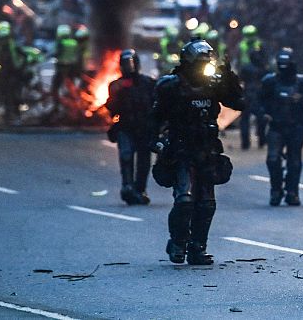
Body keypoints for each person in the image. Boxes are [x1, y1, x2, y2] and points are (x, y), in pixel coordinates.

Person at [149, 38, 246, 265]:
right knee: (184, 200)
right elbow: (154, 117)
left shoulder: (213, 84)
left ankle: (198, 247)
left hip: (206, 149)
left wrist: (229, 77)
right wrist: (155, 141)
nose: (203, 67)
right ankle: (178, 242)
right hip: (181, 149)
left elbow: (238, 103)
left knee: (206, 203)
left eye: (206, 63)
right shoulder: (171, 86)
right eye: (199, 63)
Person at [258, 48, 303, 206]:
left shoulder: (302, 82)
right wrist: (264, 114)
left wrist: (301, 99)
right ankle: (276, 190)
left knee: (294, 161)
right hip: (276, 126)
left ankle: (292, 192)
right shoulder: (270, 81)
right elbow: (259, 101)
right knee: (273, 159)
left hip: (296, 126)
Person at [105, 49, 156, 205]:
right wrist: (118, 94)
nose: (129, 67)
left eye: (131, 63)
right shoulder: (116, 85)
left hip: (144, 126)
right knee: (126, 156)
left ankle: (140, 189)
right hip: (125, 126)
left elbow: (156, 104)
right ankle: (127, 185)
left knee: (143, 160)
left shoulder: (148, 83)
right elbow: (112, 108)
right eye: (126, 64)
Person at [236, 24, 267, 149]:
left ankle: (247, 142)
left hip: (249, 91)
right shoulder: (241, 45)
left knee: (247, 117)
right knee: (258, 116)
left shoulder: (260, 44)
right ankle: (258, 140)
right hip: (255, 91)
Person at [0, 21, 25, 123]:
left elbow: (23, 56)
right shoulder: (1, 46)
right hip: (6, 73)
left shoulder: (12, 45)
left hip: (12, 72)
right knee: (7, 93)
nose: (3, 40)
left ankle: (14, 113)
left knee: (12, 93)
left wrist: (20, 67)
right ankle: (10, 113)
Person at [51, 24, 80, 107]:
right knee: (71, 86)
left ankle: (56, 105)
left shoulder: (61, 43)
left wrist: (53, 55)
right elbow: (77, 54)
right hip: (71, 67)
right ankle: (75, 103)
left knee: (55, 87)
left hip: (62, 67)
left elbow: (57, 53)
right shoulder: (74, 42)